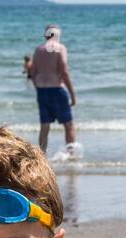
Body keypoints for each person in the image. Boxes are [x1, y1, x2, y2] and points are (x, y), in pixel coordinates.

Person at [28, 25, 77, 155]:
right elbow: (64, 72)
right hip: (57, 90)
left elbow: (33, 73)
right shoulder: (60, 48)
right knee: (68, 125)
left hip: (42, 91)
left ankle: (41, 156)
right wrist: (72, 95)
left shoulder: (38, 50)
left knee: (44, 126)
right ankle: (71, 154)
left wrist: (38, 88)